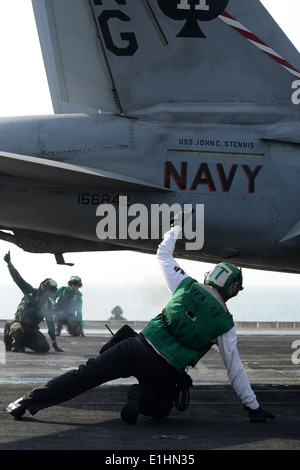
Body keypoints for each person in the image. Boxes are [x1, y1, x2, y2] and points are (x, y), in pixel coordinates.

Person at [6, 214, 275, 423]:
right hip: (163, 371)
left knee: (84, 375)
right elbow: (235, 371)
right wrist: (254, 408)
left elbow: (163, 253)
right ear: (232, 291)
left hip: (135, 348)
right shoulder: (225, 325)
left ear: (210, 277)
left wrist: (177, 226)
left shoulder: (184, 284)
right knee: (162, 408)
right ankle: (140, 396)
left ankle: (26, 402)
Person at [3, 252, 63, 353]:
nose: (53, 292)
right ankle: (13, 337)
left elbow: (50, 323)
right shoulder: (30, 292)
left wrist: (54, 343)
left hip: (31, 329)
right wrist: (9, 264)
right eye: (51, 290)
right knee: (17, 330)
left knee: (44, 347)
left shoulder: (48, 305)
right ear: (45, 289)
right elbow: (19, 280)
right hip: (19, 325)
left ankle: (22, 342)